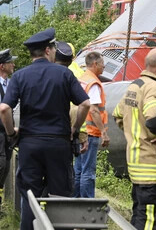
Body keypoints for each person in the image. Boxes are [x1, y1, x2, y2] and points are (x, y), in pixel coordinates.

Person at [0, 28, 91, 230]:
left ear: (33, 53)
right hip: (59, 144)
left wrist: (11, 134)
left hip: (29, 144)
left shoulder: (20, 76)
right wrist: (75, 130)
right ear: (49, 50)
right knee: (59, 198)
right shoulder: (64, 74)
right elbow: (85, 105)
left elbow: (4, 108)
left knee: (30, 198)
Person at [113, 48, 156, 230]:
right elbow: (155, 119)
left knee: (139, 218)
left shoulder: (136, 85)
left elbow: (119, 114)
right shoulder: (154, 88)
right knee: (150, 222)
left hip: (138, 168)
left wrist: (137, 135)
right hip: (152, 168)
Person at [73, 51, 109, 198]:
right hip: (91, 133)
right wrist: (104, 132)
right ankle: (87, 204)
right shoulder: (93, 83)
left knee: (79, 170)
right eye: (102, 64)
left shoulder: (82, 79)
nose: (104, 67)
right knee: (88, 172)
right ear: (95, 64)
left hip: (81, 131)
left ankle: (75, 201)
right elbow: (94, 110)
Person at [54, 42, 88, 155]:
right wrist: (80, 132)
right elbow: (80, 106)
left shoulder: (44, 72)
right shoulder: (77, 72)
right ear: (73, 56)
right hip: (67, 128)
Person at [0, 48, 16, 206]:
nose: (14, 64)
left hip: (6, 135)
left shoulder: (9, 84)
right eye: (10, 62)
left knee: (4, 168)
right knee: (1, 165)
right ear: (2, 66)